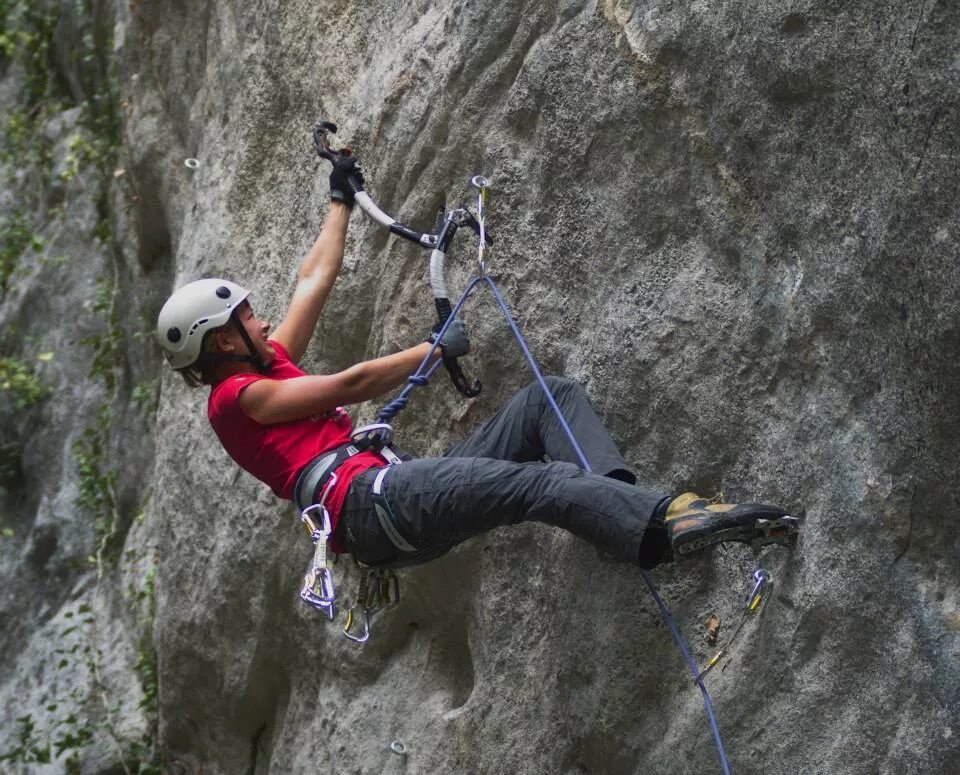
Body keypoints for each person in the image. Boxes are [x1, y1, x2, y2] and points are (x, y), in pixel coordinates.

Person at [155, 154, 797, 574]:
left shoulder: (267, 365)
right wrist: (432, 350)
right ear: (223, 343)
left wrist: (339, 200)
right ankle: (664, 523)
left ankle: (618, 510)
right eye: (246, 317)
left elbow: (312, 282)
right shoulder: (236, 400)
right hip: (370, 506)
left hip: (392, 494)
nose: (261, 321)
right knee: (536, 485)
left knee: (551, 399)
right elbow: (349, 384)